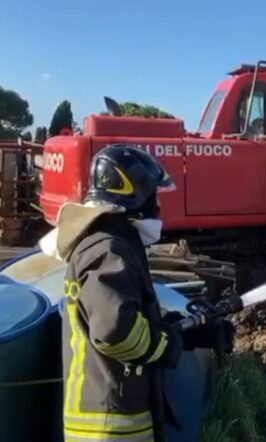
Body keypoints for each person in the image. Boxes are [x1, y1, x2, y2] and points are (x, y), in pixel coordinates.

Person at [39, 144, 228, 441]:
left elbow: (128, 314)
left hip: (114, 415)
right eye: (153, 195)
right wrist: (169, 344)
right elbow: (117, 331)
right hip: (109, 424)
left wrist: (191, 331)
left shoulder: (112, 244)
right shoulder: (108, 249)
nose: (157, 206)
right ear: (133, 194)